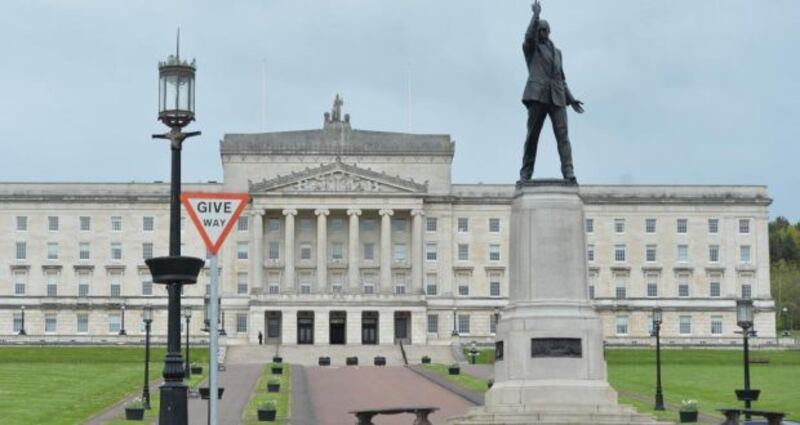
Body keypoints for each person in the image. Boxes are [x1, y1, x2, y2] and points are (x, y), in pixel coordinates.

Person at [520, 0, 584, 182]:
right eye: (539, 30)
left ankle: (569, 171)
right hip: (537, 95)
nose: (541, 33)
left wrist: (571, 99)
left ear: (548, 32)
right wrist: (535, 15)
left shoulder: (558, 52)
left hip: (557, 97)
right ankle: (526, 173)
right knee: (532, 137)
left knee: (563, 137)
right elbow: (528, 36)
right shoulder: (531, 49)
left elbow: (561, 78)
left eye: (543, 30)